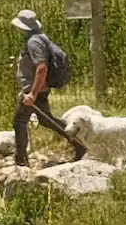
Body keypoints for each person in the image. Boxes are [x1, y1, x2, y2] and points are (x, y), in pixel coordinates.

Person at [11, 9, 84, 162]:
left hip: (33, 90)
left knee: (19, 121)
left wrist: (32, 93)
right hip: (39, 89)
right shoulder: (41, 38)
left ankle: (21, 159)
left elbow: (42, 68)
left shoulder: (33, 43)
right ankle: (79, 143)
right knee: (46, 120)